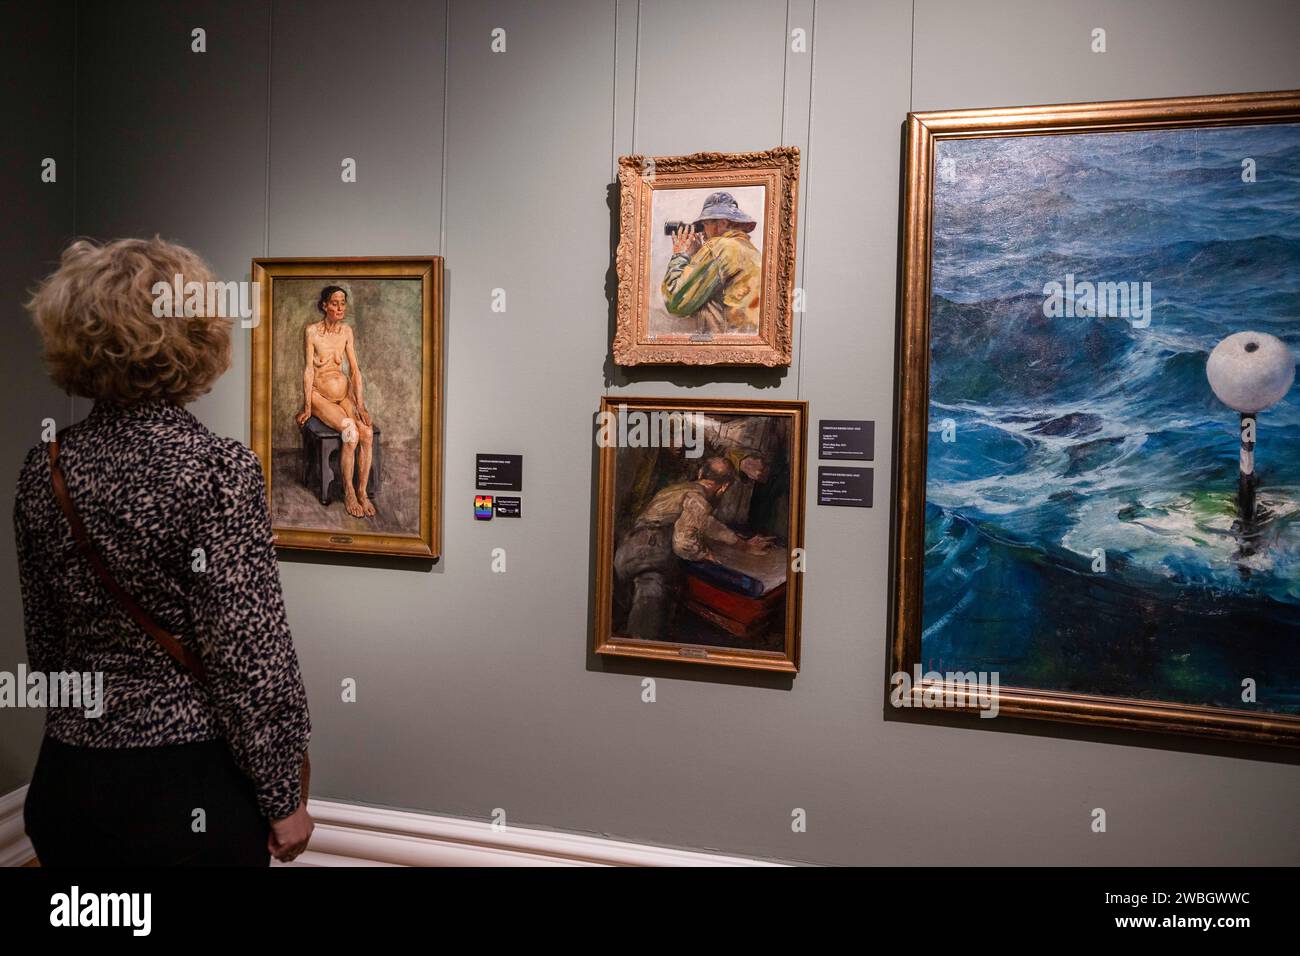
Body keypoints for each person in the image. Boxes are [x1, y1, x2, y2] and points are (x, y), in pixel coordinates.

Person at [15, 237, 313, 866]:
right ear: (195, 336)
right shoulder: (217, 469)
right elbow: (249, 658)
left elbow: (45, 645)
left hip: (69, 783)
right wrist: (285, 795)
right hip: (185, 792)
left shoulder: (45, 469)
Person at [613, 457, 775, 641]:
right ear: (724, 487)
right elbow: (683, 544)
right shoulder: (698, 500)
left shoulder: (678, 490)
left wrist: (742, 545)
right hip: (653, 555)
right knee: (647, 622)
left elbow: (708, 524)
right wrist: (705, 555)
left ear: (700, 473)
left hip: (626, 550)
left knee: (622, 612)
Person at [296, 286, 378, 518]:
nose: (340, 307)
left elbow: (354, 370)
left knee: (367, 433)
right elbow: (309, 371)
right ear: (324, 305)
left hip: (344, 396)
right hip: (320, 396)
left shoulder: (346, 331)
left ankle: (362, 492)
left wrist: (360, 404)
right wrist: (308, 407)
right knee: (350, 432)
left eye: (343, 303)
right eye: (334, 303)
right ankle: (349, 491)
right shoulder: (312, 332)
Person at [661, 191, 763, 335]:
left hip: (723, 343)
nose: (701, 233)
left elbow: (675, 303)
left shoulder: (718, 247)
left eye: (704, 225)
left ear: (722, 223)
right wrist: (698, 255)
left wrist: (681, 254)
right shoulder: (750, 251)